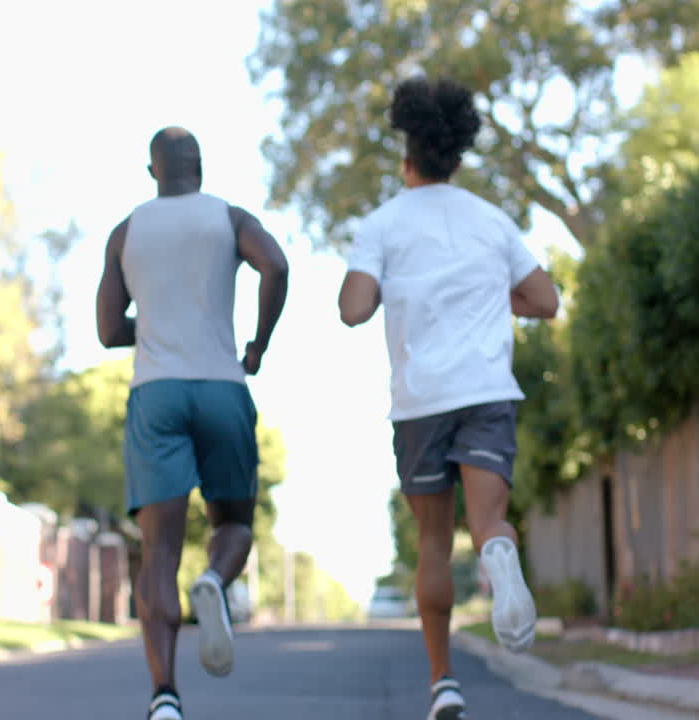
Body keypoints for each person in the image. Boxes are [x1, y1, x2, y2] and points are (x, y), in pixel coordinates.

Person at [338, 76, 559, 720]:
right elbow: (546, 300)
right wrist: (495, 295)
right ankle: (499, 554)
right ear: (458, 155)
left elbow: (352, 309)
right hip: (488, 391)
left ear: (407, 152)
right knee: (489, 522)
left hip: (421, 403)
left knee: (433, 542)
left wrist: (385, 286)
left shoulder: (382, 223)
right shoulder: (491, 221)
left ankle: (443, 683)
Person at [96, 126, 289, 720]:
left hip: (156, 395)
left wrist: (149, 327)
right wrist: (257, 344)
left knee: (157, 555)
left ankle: (165, 699)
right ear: (198, 168)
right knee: (232, 522)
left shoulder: (126, 232)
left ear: (152, 173)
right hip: (221, 386)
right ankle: (214, 581)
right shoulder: (228, 219)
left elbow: (107, 331)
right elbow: (276, 266)